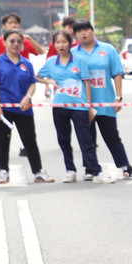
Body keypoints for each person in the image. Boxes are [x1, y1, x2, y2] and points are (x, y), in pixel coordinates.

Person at [72, 19, 132, 180]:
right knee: (87, 138)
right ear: (75, 35)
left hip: (105, 101)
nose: (84, 33)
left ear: (92, 31)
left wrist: (118, 97)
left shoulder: (107, 50)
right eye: (79, 31)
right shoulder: (73, 53)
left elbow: (117, 74)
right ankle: (89, 167)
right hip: (83, 103)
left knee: (111, 136)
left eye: (86, 29)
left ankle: (125, 167)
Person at [0, 29, 53, 184]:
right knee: (2, 141)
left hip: (23, 109)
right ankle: (3, 171)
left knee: (30, 141)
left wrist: (27, 97)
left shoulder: (26, 63)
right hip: (4, 109)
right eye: (12, 41)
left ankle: (38, 171)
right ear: (4, 43)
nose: (16, 44)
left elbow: (32, 83)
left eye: (19, 41)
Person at [37, 29, 103, 183]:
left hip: (79, 106)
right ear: (54, 44)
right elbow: (36, 76)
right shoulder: (51, 62)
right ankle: (70, 170)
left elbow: (87, 83)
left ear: (70, 43)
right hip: (60, 106)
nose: (61, 45)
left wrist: (89, 106)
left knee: (86, 139)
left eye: (64, 42)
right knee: (64, 139)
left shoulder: (79, 61)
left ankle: (96, 170)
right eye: (58, 42)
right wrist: (49, 81)